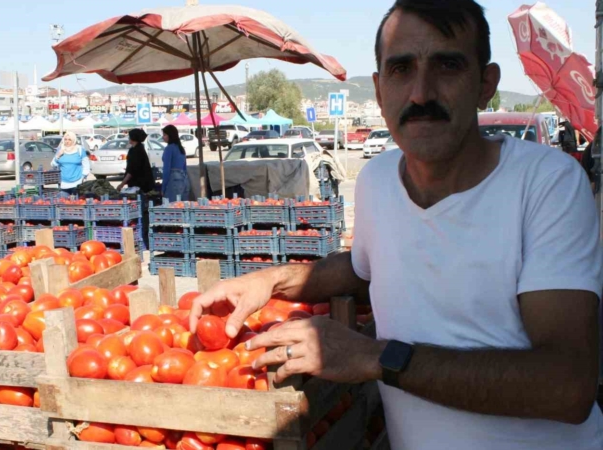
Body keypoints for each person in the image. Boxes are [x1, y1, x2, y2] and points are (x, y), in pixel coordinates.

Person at [189, 1, 603, 449]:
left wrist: (376, 357)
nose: (421, 93)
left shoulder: (547, 182)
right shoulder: (377, 180)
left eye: (447, 65)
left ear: (486, 84)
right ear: (380, 90)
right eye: (401, 69)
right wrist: (271, 280)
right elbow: (363, 267)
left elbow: (568, 387)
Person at [118, 128, 155, 193]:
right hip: (145, 183)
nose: (128, 138)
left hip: (139, 185)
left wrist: (121, 185)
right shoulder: (139, 148)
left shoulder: (135, 151)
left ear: (133, 138)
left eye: (129, 137)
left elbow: (131, 170)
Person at [161, 125, 191, 201]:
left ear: (170, 135)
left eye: (164, 135)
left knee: (172, 206)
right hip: (184, 179)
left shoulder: (169, 149)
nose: (163, 137)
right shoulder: (181, 148)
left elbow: (166, 169)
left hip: (174, 180)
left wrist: (163, 187)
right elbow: (184, 167)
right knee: (183, 206)